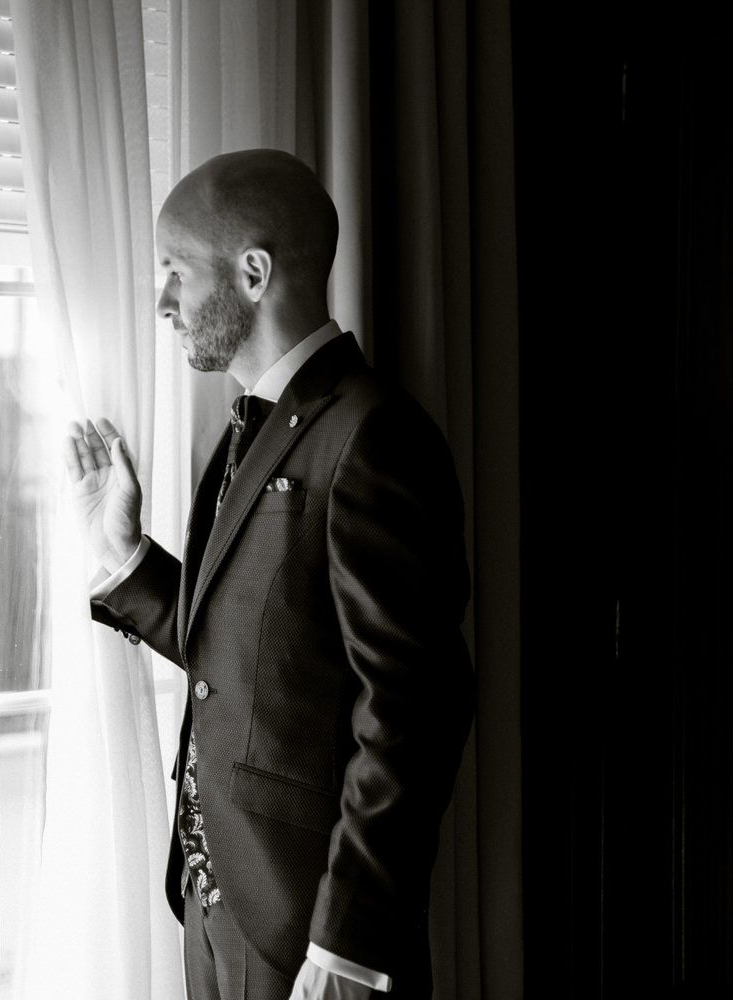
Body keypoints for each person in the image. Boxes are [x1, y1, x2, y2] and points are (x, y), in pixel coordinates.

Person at [63, 148, 474, 1000]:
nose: (162, 301)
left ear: (253, 273)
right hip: (219, 919)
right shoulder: (251, 429)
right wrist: (127, 558)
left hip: (313, 935)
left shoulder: (374, 435)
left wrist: (349, 945)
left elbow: (413, 710)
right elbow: (256, 661)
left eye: (174, 271)